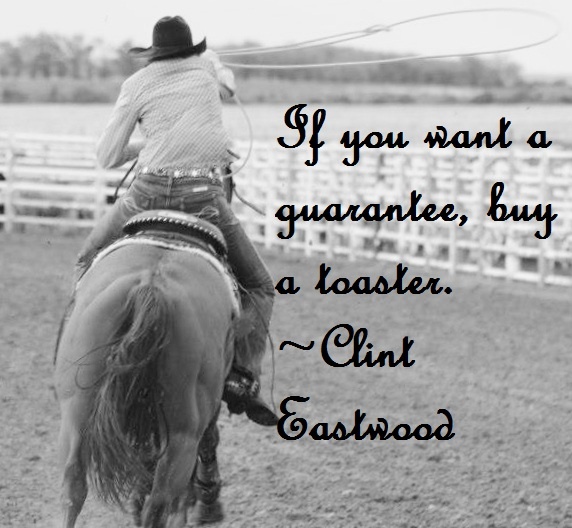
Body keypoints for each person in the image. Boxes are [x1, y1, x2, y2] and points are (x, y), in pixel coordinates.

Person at [74, 15, 277, 426]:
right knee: (259, 286)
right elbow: (229, 86)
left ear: (155, 52)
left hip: (146, 193)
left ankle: (81, 351)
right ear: (191, 48)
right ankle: (242, 375)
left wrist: (148, 145)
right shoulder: (206, 71)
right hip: (202, 197)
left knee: (86, 259)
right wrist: (214, 61)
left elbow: (107, 156)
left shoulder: (136, 84)